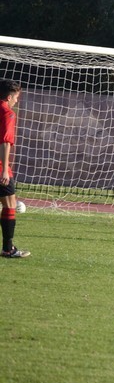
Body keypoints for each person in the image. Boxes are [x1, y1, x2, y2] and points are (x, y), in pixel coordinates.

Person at [0, 79, 28, 258]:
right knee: (10, 204)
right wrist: (4, 169)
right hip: (0, 166)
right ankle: (8, 249)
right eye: (16, 97)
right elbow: (4, 142)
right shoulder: (7, 113)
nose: (16, 101)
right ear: (9, 97)